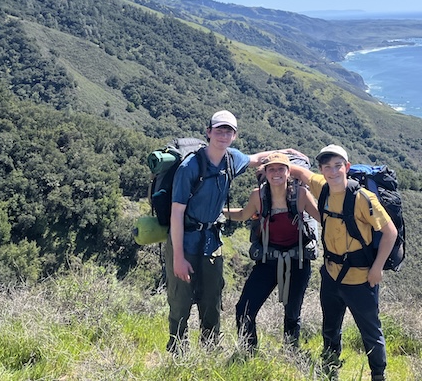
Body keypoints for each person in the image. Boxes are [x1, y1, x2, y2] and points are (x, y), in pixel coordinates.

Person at [165, 110, 274, 352]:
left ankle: (210, 350)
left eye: (228, 131)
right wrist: (179, 258)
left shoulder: (231, 159)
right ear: (208, 132)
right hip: (184, 238)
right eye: (219, 130)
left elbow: (256, 158)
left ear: (234, 136)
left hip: (211, 241)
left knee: (212, 298)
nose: (223, 135)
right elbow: (176, 213)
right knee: (181, 300)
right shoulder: (190, 166)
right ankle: (176, 352)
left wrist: (288, 155)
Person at [289, 144, 398, 381]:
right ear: (322, 170)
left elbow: (390, 232)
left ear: (346, 167)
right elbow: (300, 173)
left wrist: (377, 268)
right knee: (330, 325)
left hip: (360, 278)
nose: (333, 171)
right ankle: (330, 366)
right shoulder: (323, 187)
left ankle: (378, 374)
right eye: (327, 167)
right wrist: (279, 158)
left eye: (338, 166)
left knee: (370, 331)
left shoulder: (362, 198)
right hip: (331, 275)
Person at [225, 151, 319, 350]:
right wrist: (218, 212)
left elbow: (322, 218)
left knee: (292, 314)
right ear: (266, 173)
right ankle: (248, 353)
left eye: (281, 169)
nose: (276, 173)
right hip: (268, 260)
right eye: (271, 169)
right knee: (244, 309)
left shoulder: (301, 195)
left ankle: (290, 352)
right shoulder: (258, 196)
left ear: (288, 172)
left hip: (298, 260)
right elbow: (243, 214)